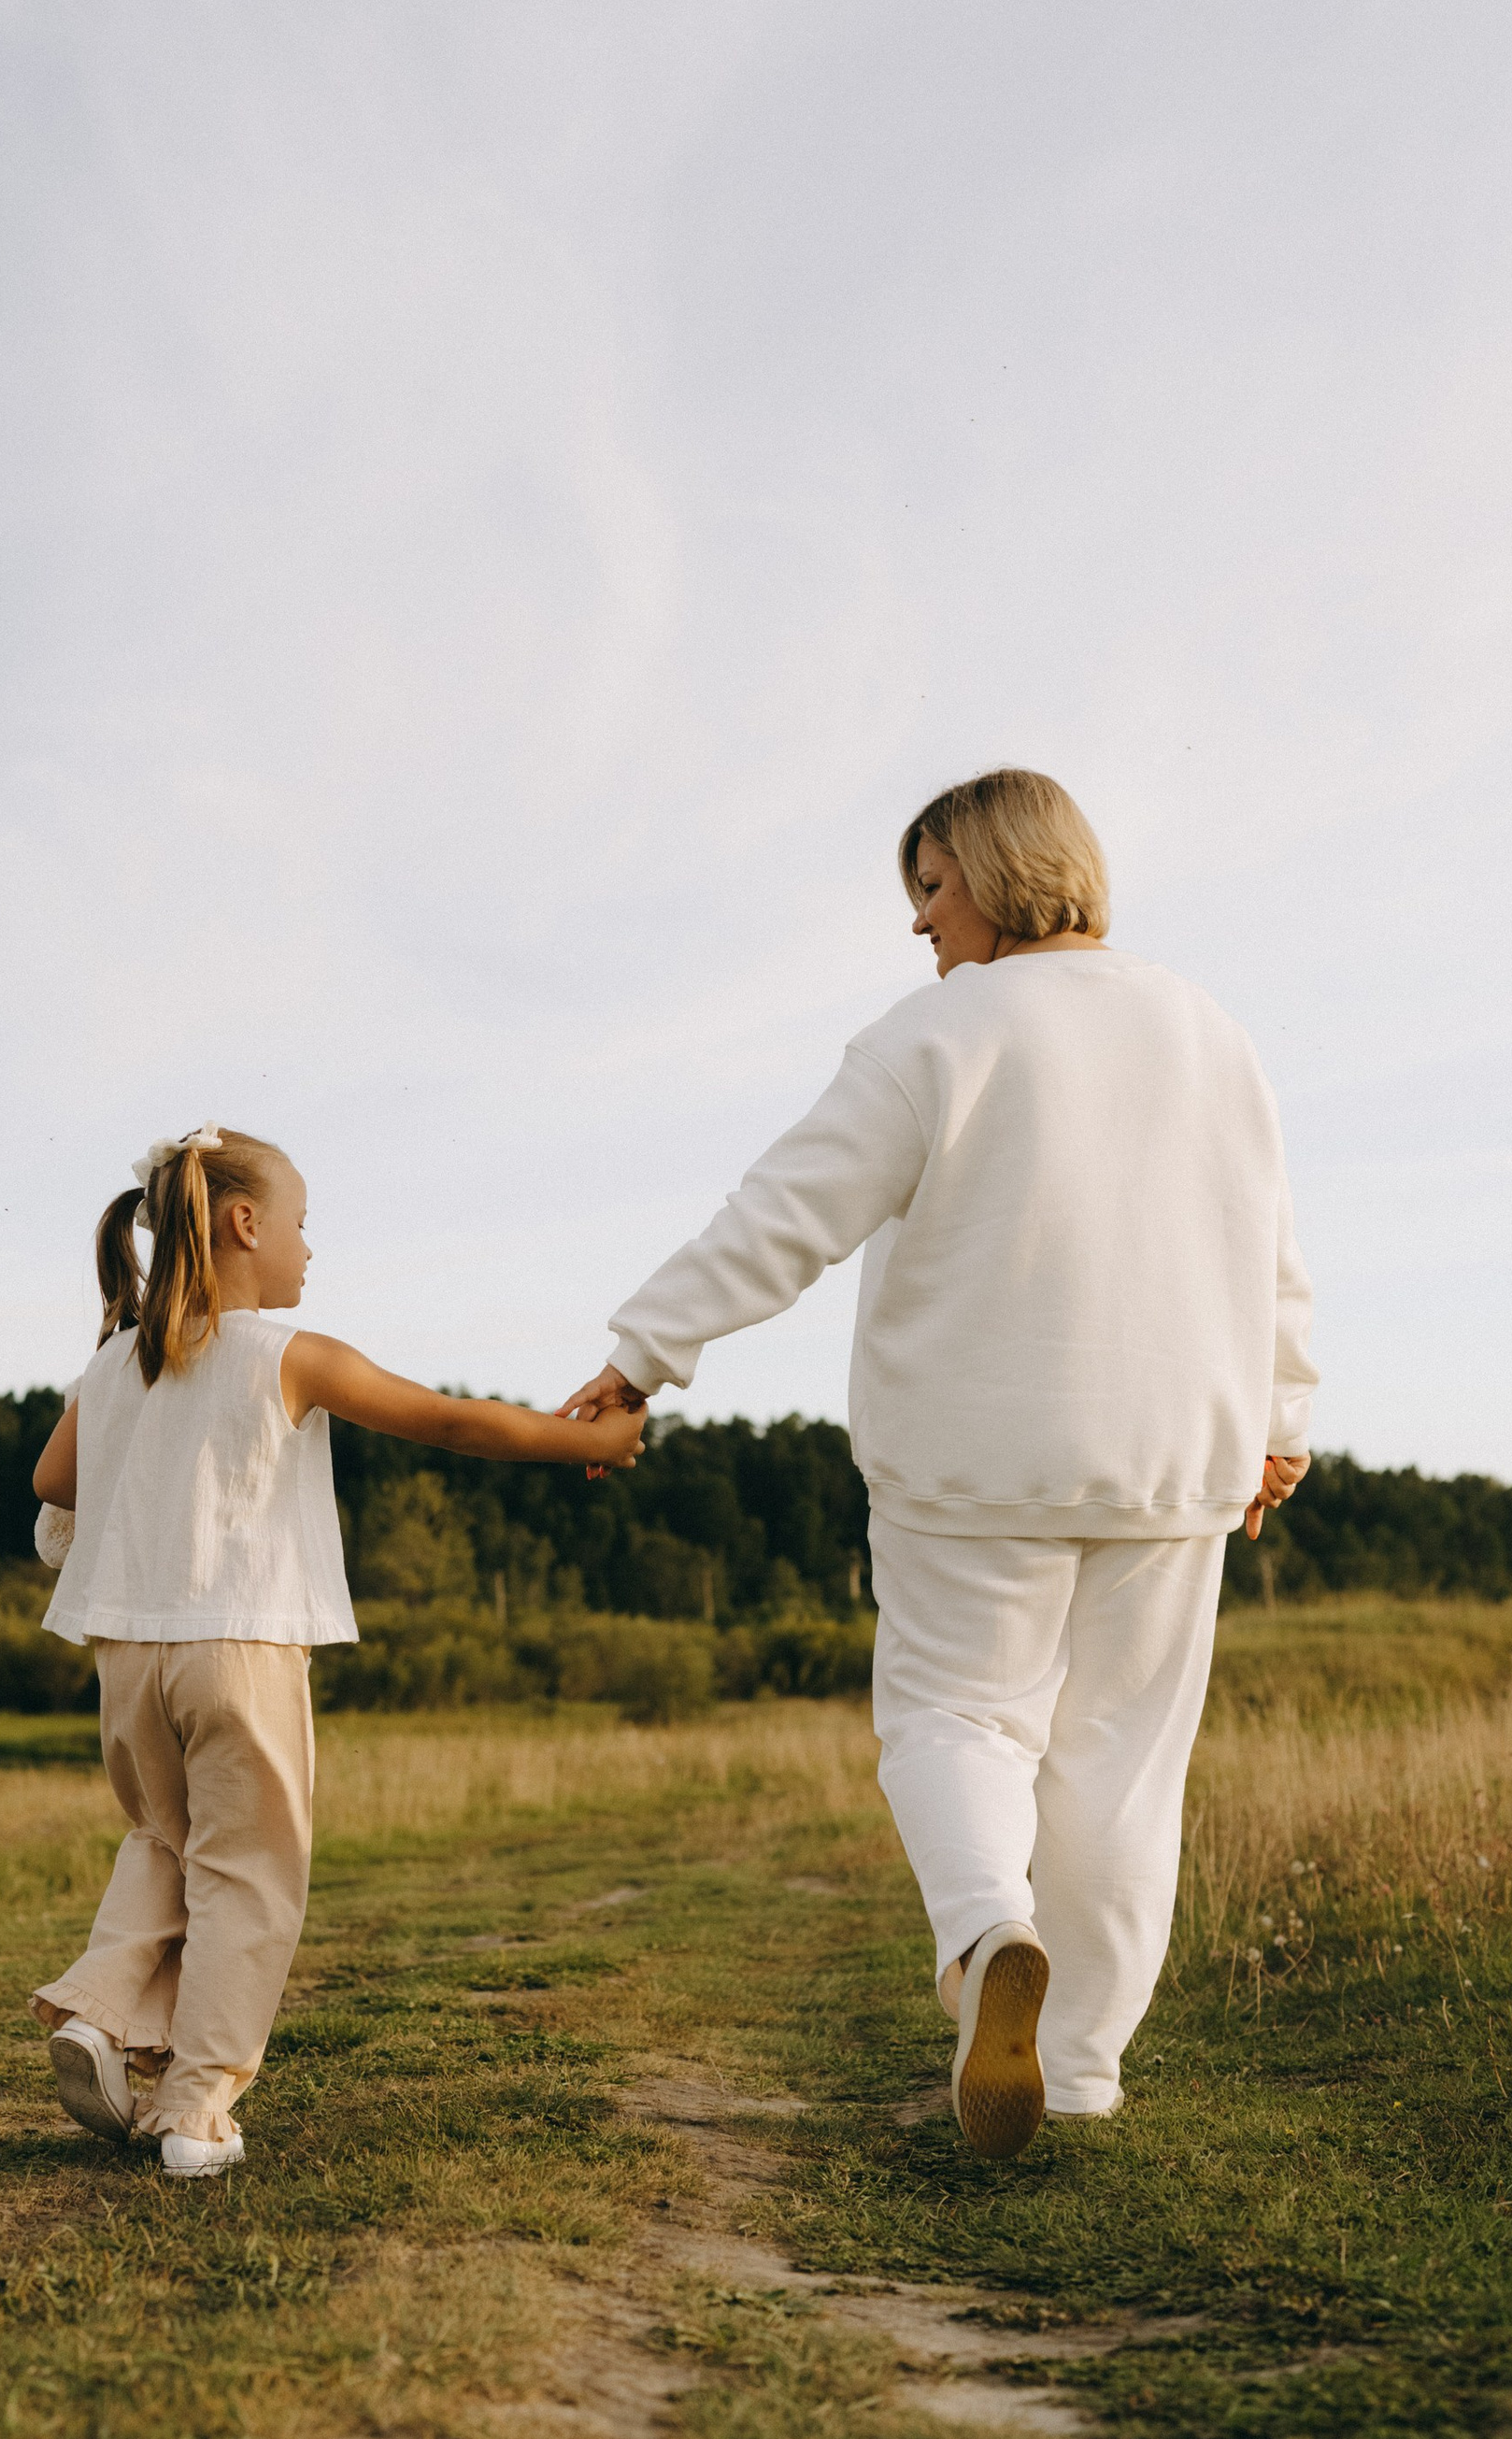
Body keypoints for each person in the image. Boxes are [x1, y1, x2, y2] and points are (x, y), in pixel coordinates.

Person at [563, 769, 1313, 2160]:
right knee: (1123, 1770)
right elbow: (1268, 1248)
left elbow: (783, 1215)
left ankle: (984, 1940)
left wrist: (646, 1351)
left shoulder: (937, 1034)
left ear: (994, 867)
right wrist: (1282, 1421)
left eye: (930, 886)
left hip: (974, 1462)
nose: (920, 926)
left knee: (954, 1722)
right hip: (1175, 1463)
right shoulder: (1210, 1030)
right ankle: (1078, 2074)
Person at [30, 1123, 644, 2179]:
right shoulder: (287, 1356)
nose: (311, 1249)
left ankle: (96, 2011)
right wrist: (587, 1440)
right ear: (243, 1224)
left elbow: (51, 1482)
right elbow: (450, 1423)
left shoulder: (114, 1365)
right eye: (303, 1225)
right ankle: (195, 2111)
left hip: (128, 1657)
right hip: (242, 1647)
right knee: (252, 1874)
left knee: (165, 1844)